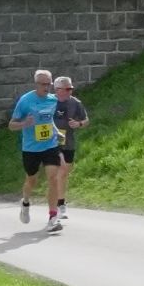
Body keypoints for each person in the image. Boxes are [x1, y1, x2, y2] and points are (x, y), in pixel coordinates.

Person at [7, 69, 64, 231]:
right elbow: (11, 125)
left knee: (53, 178)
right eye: (43, 84)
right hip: (31, 148)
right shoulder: (25, 101)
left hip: (50, 145)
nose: (46, 87)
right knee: (31, 180)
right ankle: (25, 202)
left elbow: (49, 119)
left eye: (49, 84)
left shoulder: (53, 100)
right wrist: (24, 123)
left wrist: (56, 131)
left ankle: (53, 217)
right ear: (36, 84)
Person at [49, 74, 89, 224]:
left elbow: (86, 120)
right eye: (67, 89)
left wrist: (79, 124)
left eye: (71, 88)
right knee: (60, 169)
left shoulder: (75, 103)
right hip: (51, 142)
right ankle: (58, 206)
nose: (70, 91)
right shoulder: (48, 102)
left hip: (68, 142)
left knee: (64, 173)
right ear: (57, 89)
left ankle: (60, 202)